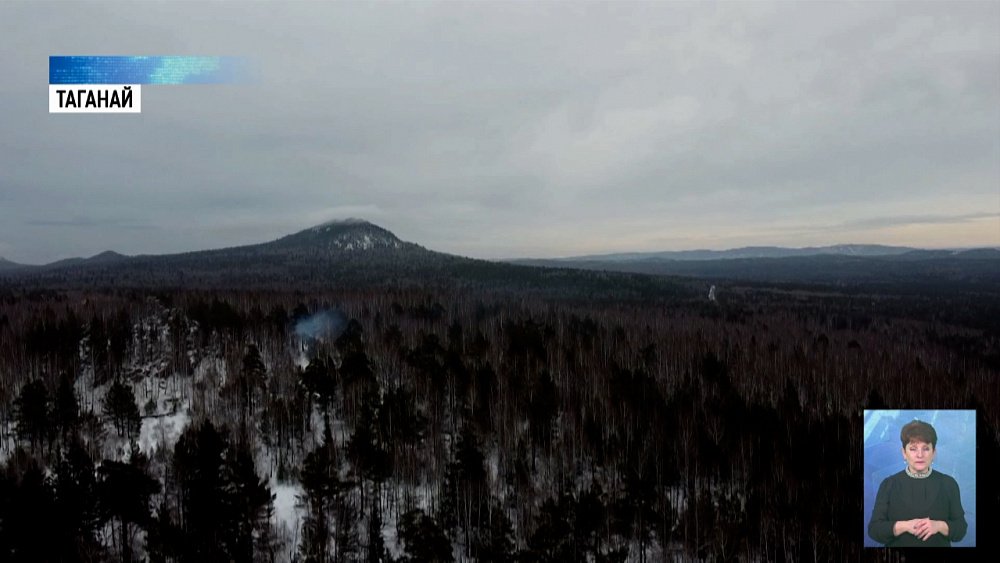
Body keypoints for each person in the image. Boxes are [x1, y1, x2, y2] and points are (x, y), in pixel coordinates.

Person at [868, 419, 968, 547]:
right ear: (904, 453)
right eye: (913, 449)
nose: (920, 455)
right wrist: (905, 526)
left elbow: (961, 529)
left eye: (926, 448)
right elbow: (874, 530)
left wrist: (938, 525)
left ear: (934, 453)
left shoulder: (948, 484)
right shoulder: (888, 485)